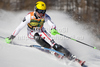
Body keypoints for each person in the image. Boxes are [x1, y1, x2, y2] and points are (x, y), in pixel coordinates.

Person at [5, 1, 75, 59]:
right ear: (35, 9)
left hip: (41, 31)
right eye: (39, 11)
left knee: (54, 45)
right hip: (31, 33)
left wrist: (53, 28)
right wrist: (11, 37)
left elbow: (51, 23)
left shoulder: (45, 16)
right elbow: (19, 27)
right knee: (36, 37)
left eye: (43, 11)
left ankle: (70, 56)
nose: (41, 13)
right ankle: (51, 51)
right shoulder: (29, 17)